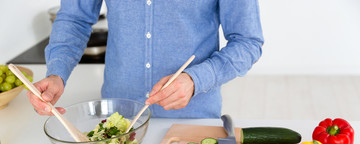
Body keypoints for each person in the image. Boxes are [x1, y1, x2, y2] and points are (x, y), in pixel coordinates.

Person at [28, 0, 264, 118]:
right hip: (117, 119)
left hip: (192, 120)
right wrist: (57, 72)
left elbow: (248, 41)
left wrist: (195, 79)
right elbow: (74, 19)